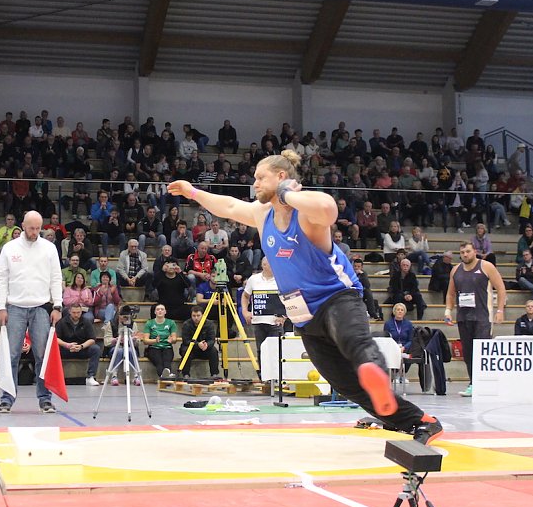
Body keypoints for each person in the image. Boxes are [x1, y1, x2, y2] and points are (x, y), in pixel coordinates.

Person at [168, 150, 443, 444]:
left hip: (337, 299)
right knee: (346, 384)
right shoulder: (263, 214)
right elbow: (229, 206)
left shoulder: (307, 214)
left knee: (356, 346)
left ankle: (377, 377)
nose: (255, 183)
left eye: (261, 177)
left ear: (282, 177)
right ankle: (416, 421)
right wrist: (192, 191)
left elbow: (329, 209)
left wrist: (289, 196)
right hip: (305, 317)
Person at [0, 211, 63, 414]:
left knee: (42, 355)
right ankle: (7, 398)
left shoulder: (49, 248)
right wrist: (1, 306)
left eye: (38, 228)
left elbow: (56, 278)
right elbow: (1, 278)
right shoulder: (9, 248)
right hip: (15, 307)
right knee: (12, 354)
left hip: (41, 307)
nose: (35, 232)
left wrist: (57, 305)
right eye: (31, 228)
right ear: (23, 225)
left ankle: (45, 399)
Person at [445, 241, 507, 398]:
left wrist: (500, 310)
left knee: (483, 352)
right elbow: (451, 294)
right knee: (468, 353)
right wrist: (448, 310)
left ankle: (486, 383)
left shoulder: (486, 267)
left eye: (468, 251)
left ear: (475, 251)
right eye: (462, 252)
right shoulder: (455, 270)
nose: (465, 254)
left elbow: (501, 289)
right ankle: (473, 383)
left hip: (482, 317)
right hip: (464, 317)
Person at [241, 257, 285, 367]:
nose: (271, 266)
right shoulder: (253, 279)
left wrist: (284, 316)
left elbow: (289, 298)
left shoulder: (281, 279)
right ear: (263, 265)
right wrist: (245, 311)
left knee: (276, 350)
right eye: (268, 264)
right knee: (261, 350)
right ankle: (263, 377)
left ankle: (277, 377)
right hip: (258, 321)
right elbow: (245, 296)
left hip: (275, 321)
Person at [55, 304, 102, 386]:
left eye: (78, 312)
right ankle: (55, 376)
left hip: (82, 348)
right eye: (74, 312)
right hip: (66, 349)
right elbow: (56, 338)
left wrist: (81, 346)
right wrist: (66, 345)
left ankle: (90, 376)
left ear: (81, 312)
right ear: (69, 312)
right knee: (53, 350)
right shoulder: (61, 322)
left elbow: (92, 339)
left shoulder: (86, 322)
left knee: (96, 349)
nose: (76, 315)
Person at [179, 305, 219, 379]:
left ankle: (214, 374)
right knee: (185, 350)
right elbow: (186, 340)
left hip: (204, 349)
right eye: (194, 316)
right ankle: (186, 374)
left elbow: (211, 339)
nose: (196, 318)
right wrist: (197, 344)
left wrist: (207, 344)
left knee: (214, 351)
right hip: (191, 349)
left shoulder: (209, 324)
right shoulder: (186, 324)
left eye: (198, 315)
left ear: (202, 315)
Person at [142, 303, 178, 378]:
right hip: (154, 347)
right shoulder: (149, 323)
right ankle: (166, 378)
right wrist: (155, 340)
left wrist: (172, 340)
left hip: (167, 347)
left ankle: (164, 377)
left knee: (167, 362)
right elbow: (145, 340)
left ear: (165, 312)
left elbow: (174, 338)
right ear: (155, 312)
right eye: (158, 309)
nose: (160, 311)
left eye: (162, 309)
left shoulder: (171, 323)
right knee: (159, 363)